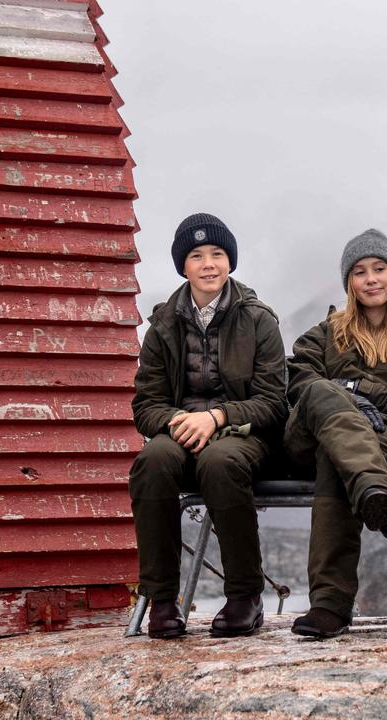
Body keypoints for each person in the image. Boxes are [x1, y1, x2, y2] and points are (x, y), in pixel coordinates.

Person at [128, 213, 288, 639]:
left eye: (217, 254)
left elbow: (274, 403)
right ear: (184, 266)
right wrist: (179, 421)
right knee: (152, 460)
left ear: (230, 262)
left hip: (245, 434)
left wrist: (217, 417)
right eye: (197, 256)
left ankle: (244, 597)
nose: (209, 264)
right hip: (182, 431)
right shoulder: (162, 324)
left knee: (219, 462)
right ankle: (163, 601)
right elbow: (146, 404)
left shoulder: (258, 320)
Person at [283, 229, 387, 638]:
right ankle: (383, 507)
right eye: (360, 272)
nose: (371, 279)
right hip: (308, 439)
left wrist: (363, 390)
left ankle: (330, 606)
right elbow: (300, 387)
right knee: (323, 393)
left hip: (384, 444)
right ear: (348, 283)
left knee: (336, 457)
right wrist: (349, 403)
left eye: (380, 269)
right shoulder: (321, 336)